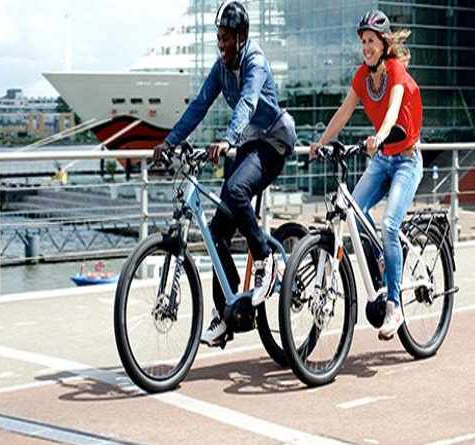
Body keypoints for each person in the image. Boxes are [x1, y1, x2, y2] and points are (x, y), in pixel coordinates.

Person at [153, 0, 296, 347]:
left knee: (234, 191)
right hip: (245, 144)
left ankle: (266, 258)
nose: (222, 44)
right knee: (216, 233)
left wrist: (228, 138)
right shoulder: (220, 68)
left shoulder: (255, 62)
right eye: (219, 38)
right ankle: (229, 311)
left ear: (242, 37)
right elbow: (200, 105)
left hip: (272, 143)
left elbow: (248, 103)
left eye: (228, 38)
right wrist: (169, 142)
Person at [310, 10, 423, 341]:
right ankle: (382, 260)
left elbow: (391, 113)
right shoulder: (362, 77)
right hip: (382, 159)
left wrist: (380, 137)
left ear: (384, 44)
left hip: (406, 159)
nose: (366, 47)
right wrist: (320, 142)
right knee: (353, 215)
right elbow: (344, 113)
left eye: (371, 41)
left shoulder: (397, 72)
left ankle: (394, 304)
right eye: (363, 42)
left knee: (389, 225)